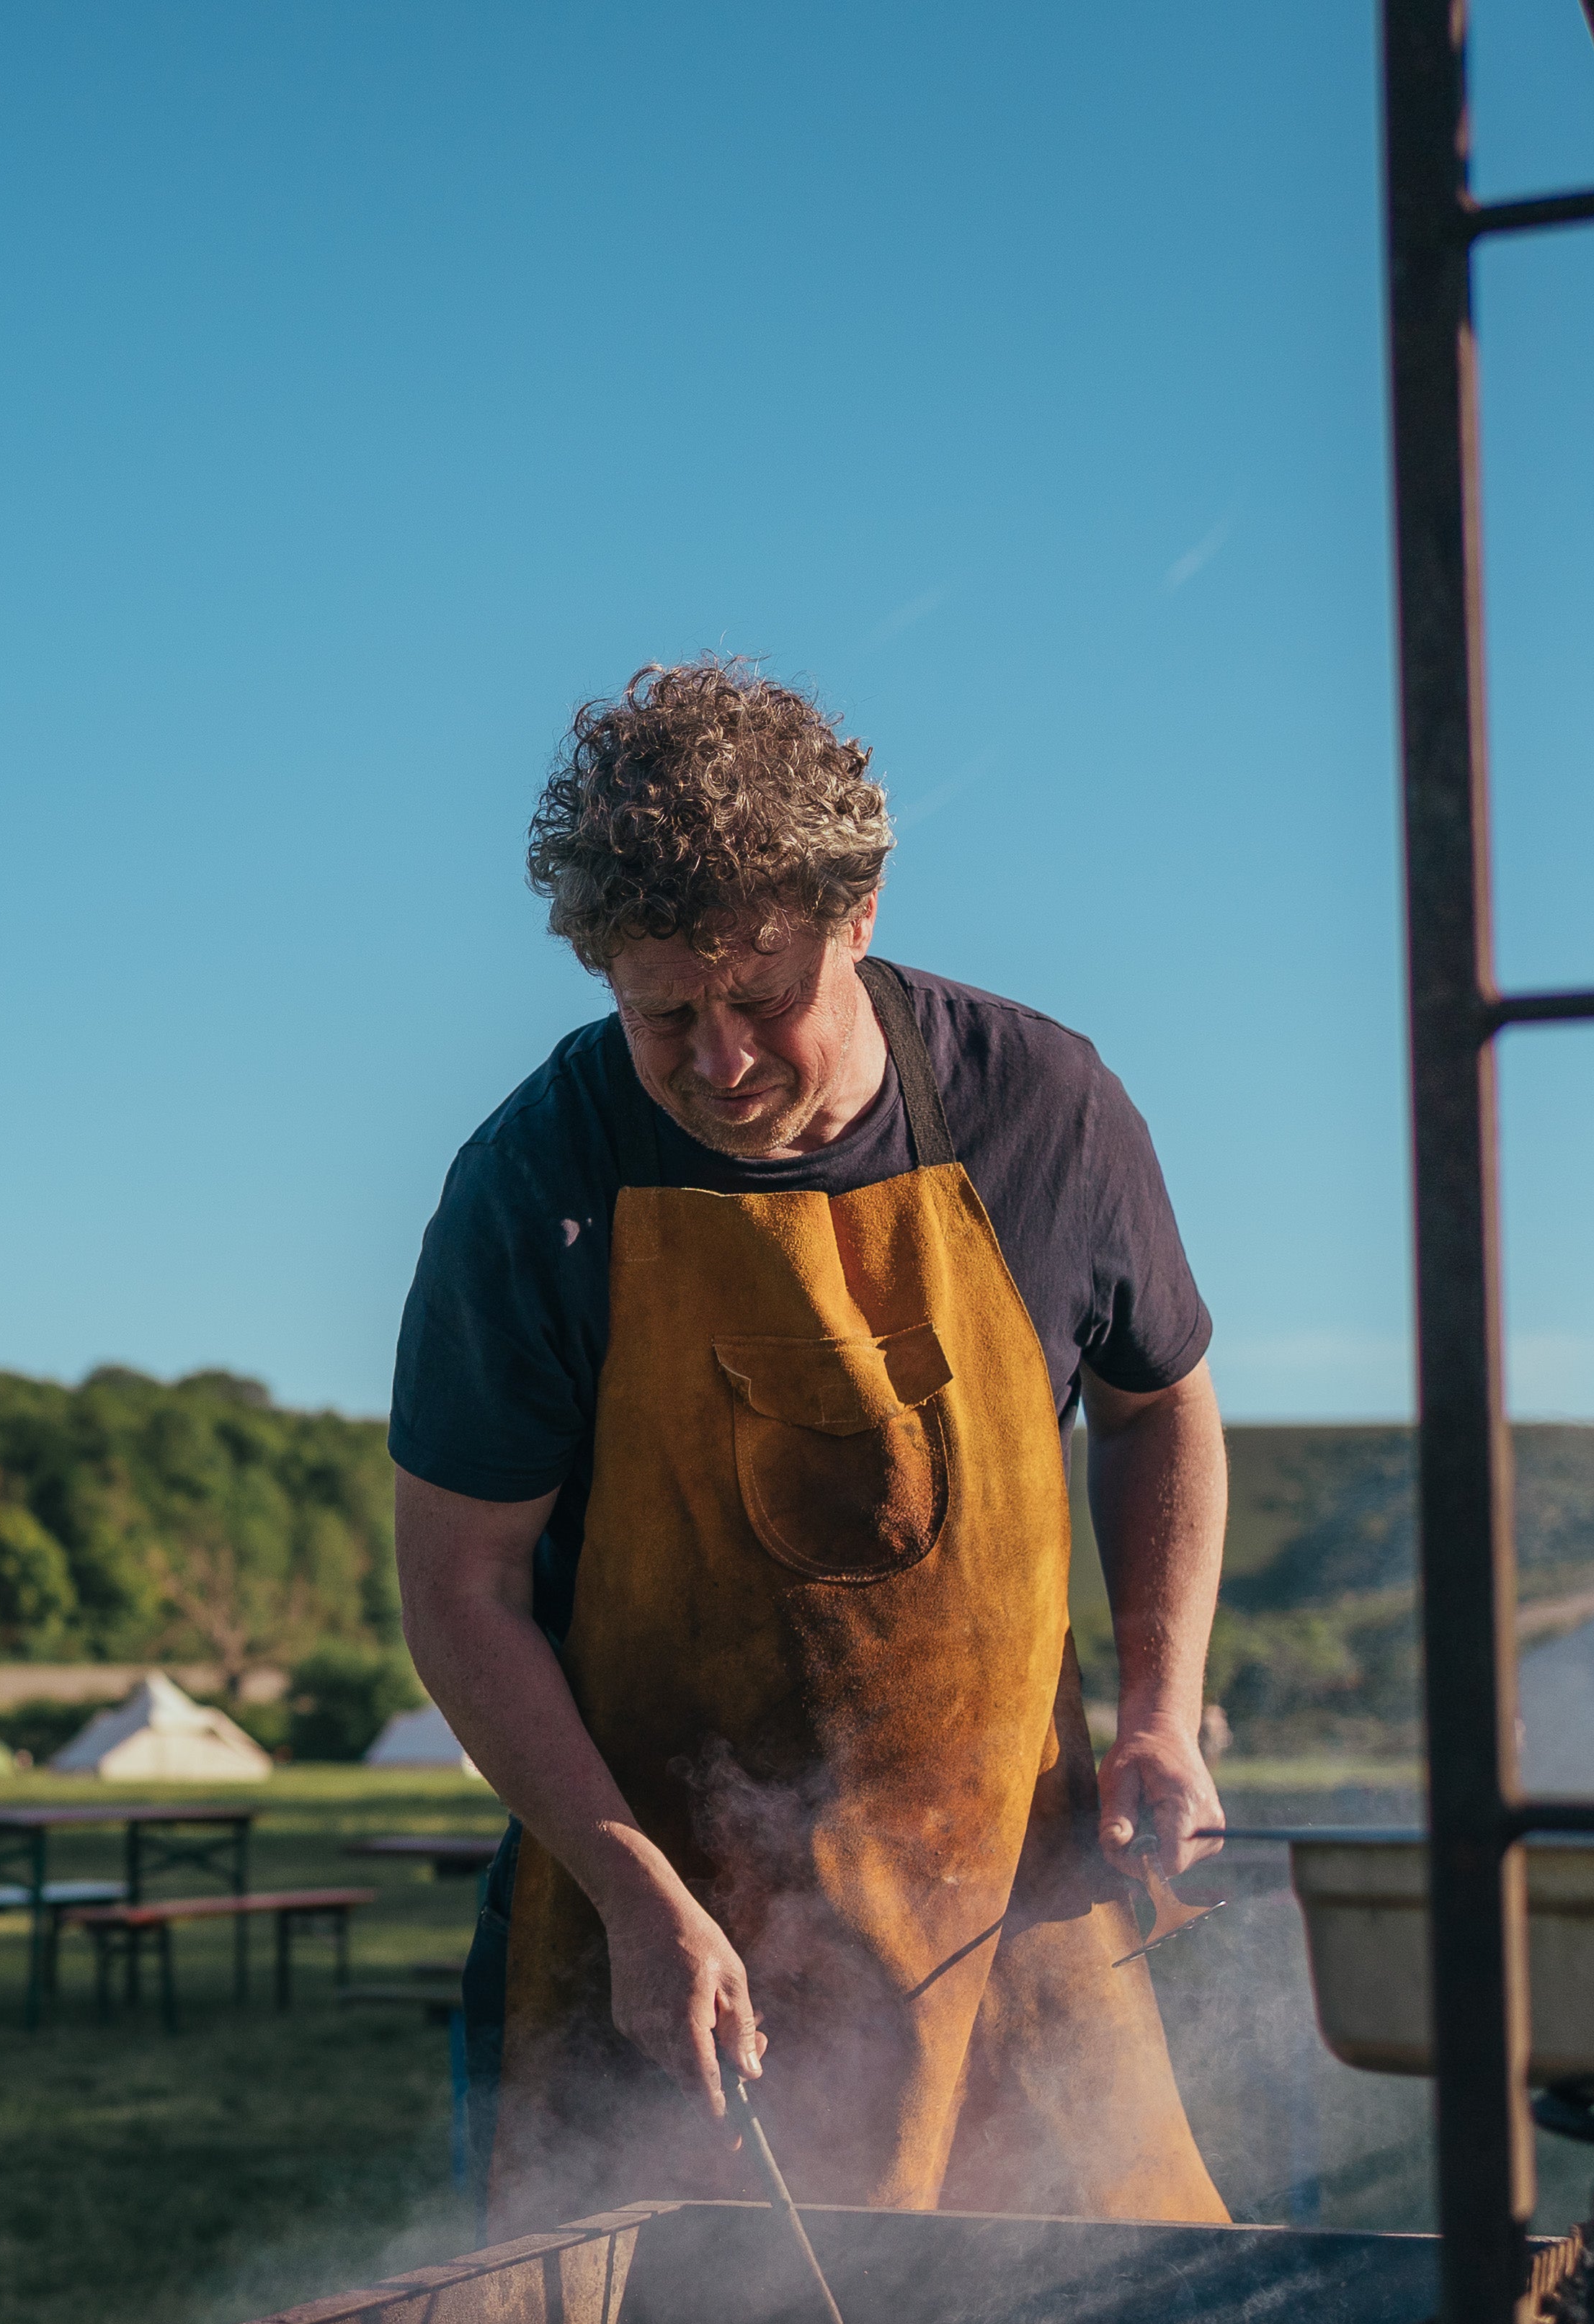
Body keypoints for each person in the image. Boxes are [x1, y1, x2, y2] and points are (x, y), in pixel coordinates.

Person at [393, 660, 1229, 2233]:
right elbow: (462, 1584)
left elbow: (1156, 1402)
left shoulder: (1046, 1106)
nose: (717, 1061)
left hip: (1005, 1919)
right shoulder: (530, 1182)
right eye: (662, 1013)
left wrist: (1161, 1712)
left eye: (758, 995)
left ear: (860, 910)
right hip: (656, 1931)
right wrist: (635, 1889)